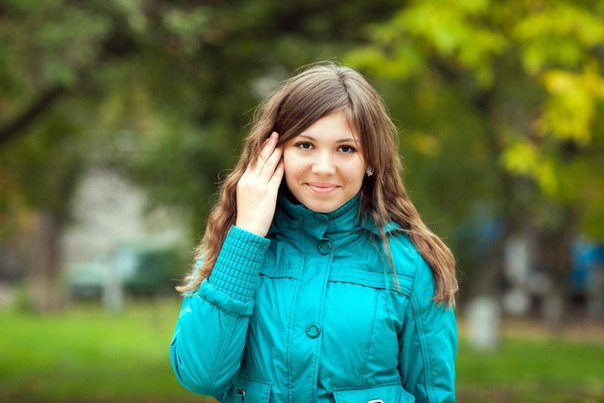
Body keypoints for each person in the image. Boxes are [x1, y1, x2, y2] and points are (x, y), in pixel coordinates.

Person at [169, 62, 458, 402]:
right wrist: (247, 235)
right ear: (275, 153)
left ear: (371, 160)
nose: (323, 168)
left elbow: (433, 394)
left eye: (345, 148)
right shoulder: (233, 248)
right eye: (305, 145)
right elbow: (200, 375)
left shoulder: (410, 266)